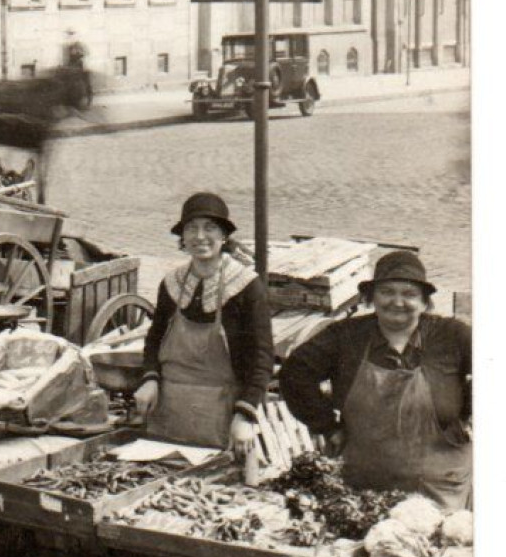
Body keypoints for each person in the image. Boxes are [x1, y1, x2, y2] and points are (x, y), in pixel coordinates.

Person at [279, 251, 471, 509]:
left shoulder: (453, 335)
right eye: (387, 292)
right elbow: (295, 372)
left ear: (425, 302)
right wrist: (326, 425)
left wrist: (468, 412)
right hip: (364, 487)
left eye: (409, 294)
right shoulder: (345, 336)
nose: (397, 301)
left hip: (440, 486)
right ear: (371, 297)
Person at [136, 193, 272, 455]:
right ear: (183, 239)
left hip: (221, 413)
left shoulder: (246, 286)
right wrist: (149, 379)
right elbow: (154, 338)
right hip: (169, 407)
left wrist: (245, 415)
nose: (200, 236)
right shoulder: (171, 283)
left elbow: (262, 357)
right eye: (191, 229)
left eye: (210, 228)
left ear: (224, 236)